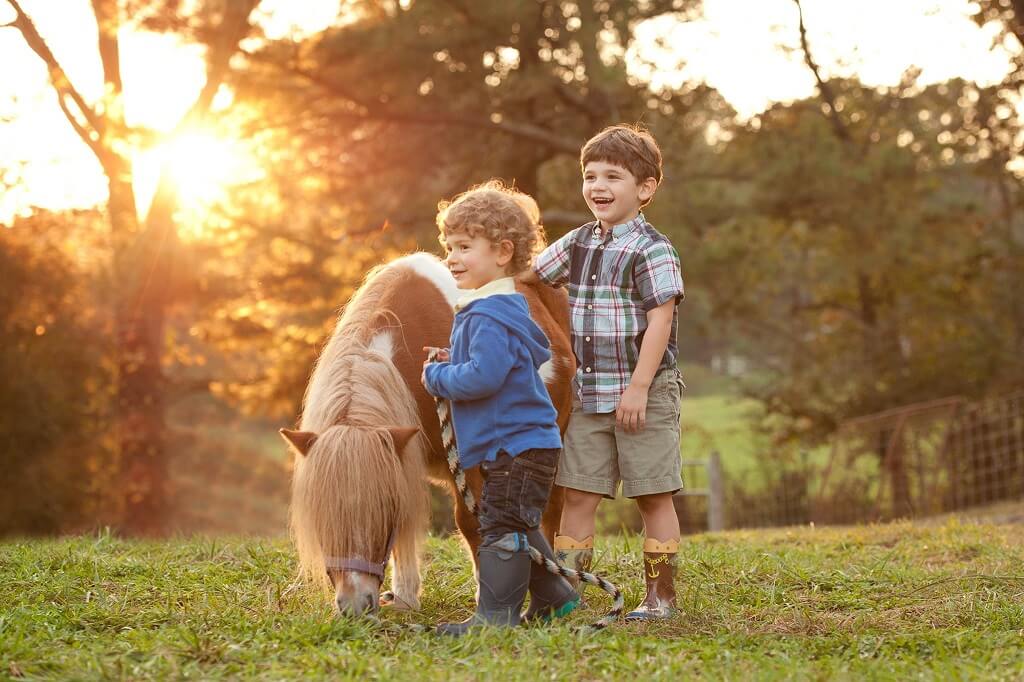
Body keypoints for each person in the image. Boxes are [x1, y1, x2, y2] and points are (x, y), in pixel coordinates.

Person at [520, 124, 686, 621]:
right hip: (590, 393)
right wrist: (478, 271)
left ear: (646, 188)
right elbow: (528, 276)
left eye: (612, 176)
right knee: (577, 493)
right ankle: (567, 593)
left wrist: (637, 389)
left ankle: (660, 598)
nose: (598, 186)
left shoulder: (651, 249)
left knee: (652, 494)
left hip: (644, 393)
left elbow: (661, 319)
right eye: (590, 175)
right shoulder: (576, 243)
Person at [422, 180, 579, 636]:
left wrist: (438, 376)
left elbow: (483, 378)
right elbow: (497, 367)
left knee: (500, 529)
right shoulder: (501, 307)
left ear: (504, 251)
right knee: (516, 523)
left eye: (465, 247)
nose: (451, 257)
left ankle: (495, 617)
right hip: (526, 444)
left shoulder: (487, 315)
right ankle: (555, 597)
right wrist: (460, 361)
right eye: (449, 246)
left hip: (514, 447)